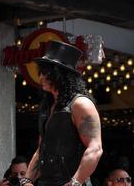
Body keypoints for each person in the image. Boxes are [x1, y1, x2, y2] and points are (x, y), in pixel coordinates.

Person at [20, 40, 103, 186]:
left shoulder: (80, 104)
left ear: (60, 75)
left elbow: (95, 149)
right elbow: (42, 149)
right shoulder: (49, 107)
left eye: (46, 73)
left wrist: (75, 182)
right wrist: (27, 180)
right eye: (41, 72)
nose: (41, 78)